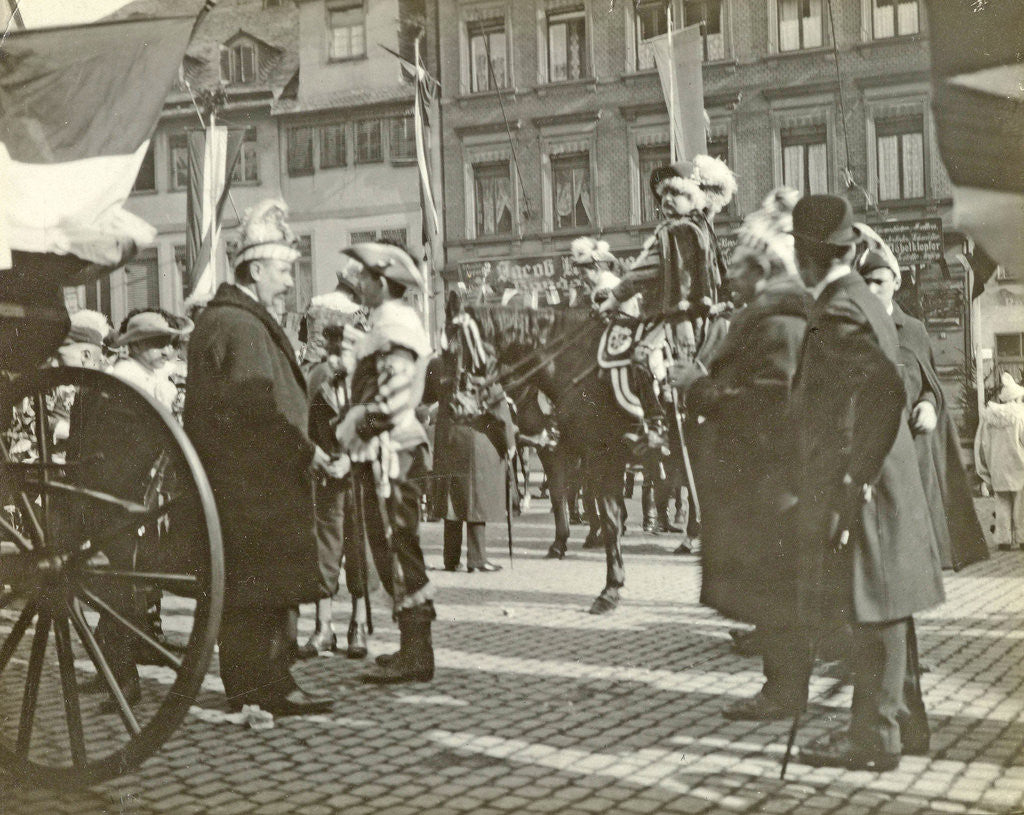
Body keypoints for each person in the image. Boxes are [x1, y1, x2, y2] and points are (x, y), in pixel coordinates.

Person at [788, 194, 944, 771]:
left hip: (868, 480)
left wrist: (853, 477)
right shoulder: (857, 297)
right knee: (887, 603)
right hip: (881, 475)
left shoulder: (840, 309)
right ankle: (907, 724)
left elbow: (883, 392)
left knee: (872, 609)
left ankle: (873, 741)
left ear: (806, 255)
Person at [184, 199, 334, 716]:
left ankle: (265, 682)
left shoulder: (236, 321)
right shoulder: (239, 326)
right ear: (254, 268)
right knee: (257, 587)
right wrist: (307, 451)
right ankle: (262, 686)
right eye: (285, 270)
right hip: (251, 489)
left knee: (258, 587)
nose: (291, 282)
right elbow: (257, 412)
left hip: (254, 486)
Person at [673, 187, 815, 721]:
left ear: (760, 265)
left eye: (735, 265)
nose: (727, 275)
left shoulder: (777, 320)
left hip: (771, 481)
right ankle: (782, 685)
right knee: (775, 589)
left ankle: (783, 691)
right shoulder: (768, 313)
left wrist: (698, 387)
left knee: (777, 590)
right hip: (767, 480)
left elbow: (769, 403)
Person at [853, 226, 988, 569]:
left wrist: (929, 404)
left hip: (911, 447)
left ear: (896, 283)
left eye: (879, 282)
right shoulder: (853, 330)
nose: (871, 289)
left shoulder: (913, 330)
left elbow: (931, 382)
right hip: (870, 447)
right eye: (864, 282)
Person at [334, 241, 436, 684]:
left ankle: (418, 653)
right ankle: (411, 646)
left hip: (392, 452)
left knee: (399, 547)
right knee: (393, 546)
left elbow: (393, 400)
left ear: (381, 282)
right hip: (385, 452)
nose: (357, 283)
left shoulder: (395, 324)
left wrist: (354, 423)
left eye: (363, 277)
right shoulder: (387, 321)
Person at [299, 273, 373, 660]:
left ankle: (358, 624)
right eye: (333, 349)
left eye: (346, 349)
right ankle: (323, 626)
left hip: (362, 477)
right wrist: (319, 457)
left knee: (361, 551)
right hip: (325, 477)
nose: (337, 358)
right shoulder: (315, 381)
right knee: (323, 550)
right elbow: (298, 425)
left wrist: (355, 457)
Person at [427, 293, 515, 573]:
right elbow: (498, 407)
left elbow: (427, 397)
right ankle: (477, 559)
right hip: (477, 437)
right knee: (475, 499)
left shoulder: (438, 363)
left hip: (448, 436)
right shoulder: (482, 364)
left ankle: (450, 558)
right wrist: (509, 442)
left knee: (454, 500)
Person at [975, 372, 1024, 550]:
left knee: (1002, 501)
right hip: (1019, 465)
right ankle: (1021, 537)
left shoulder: (990, 418)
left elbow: (983, 444)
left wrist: (986, 466)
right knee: (1020, 503)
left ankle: (1003, 539)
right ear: (1018, 398)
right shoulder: (1021, 416)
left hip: (998, 466)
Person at [109, 310, 191, 412]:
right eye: (158, 344)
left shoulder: (150, 370)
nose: (166, 352)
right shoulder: (126, 375)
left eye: (167, 344)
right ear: (136, 345)